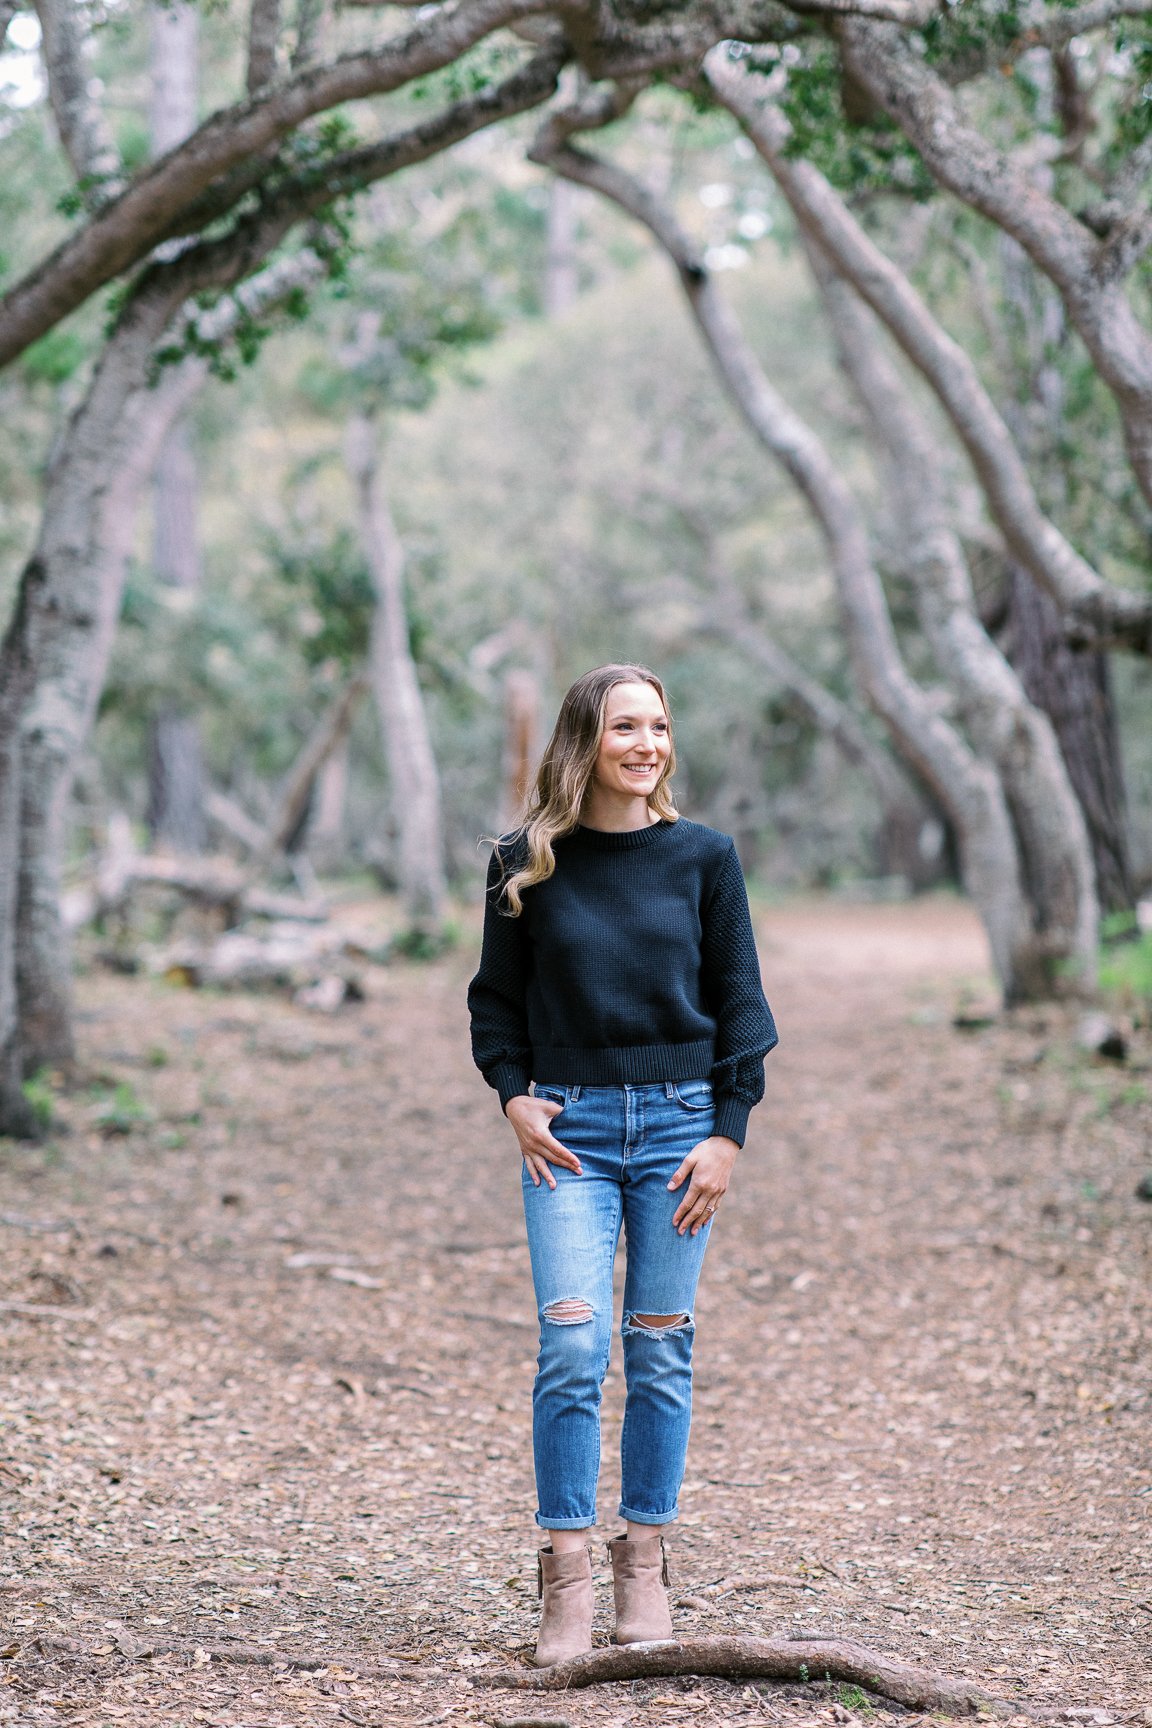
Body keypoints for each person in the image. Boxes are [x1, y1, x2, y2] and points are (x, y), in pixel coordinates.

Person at [467, 663, 777, 1666]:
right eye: (624, 728)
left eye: (660, 726)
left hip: (684, 1130)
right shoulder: (522, 862)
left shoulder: (704, 859)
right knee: (570, 1346)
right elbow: (494, 1003)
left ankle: (643, 1561)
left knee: (659, 1348)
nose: (648, 745)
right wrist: (512, 1092)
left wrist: (727, 1132)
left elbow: (740, 1004)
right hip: (571, 1139)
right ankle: (563, 1573)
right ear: (583, 744)